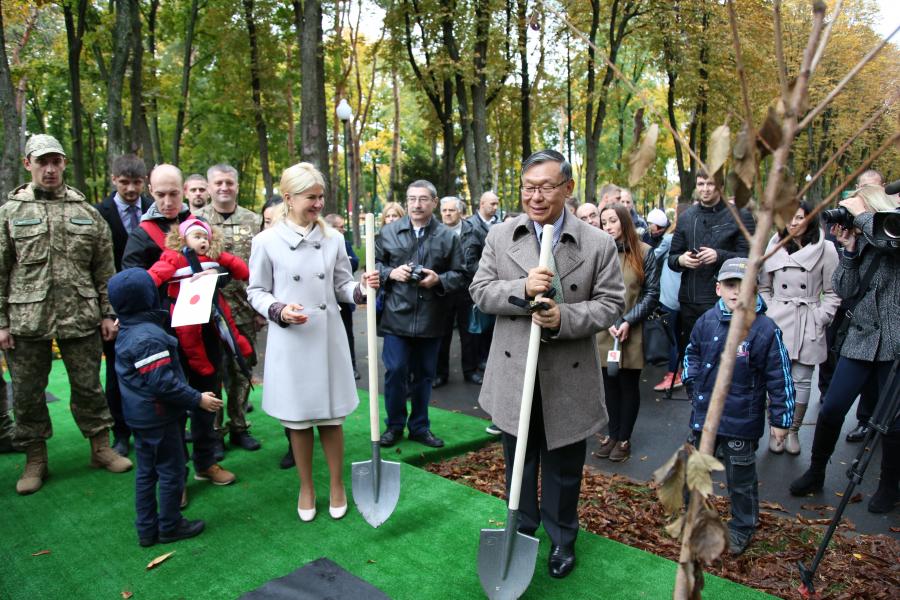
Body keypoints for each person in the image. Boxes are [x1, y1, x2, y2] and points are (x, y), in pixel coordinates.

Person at [470, 149, 626, 579]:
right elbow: (480, 291)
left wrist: (564, 318)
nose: (535, 197)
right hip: (513, 371)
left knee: (563, 468)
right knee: (519, 460)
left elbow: (612, 304)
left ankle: (562, 540)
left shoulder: (598, 244)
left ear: (568, 188)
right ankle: (521, 528)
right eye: (528, 187)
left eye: (546, 187)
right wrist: (521, 287)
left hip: (567, 378)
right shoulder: (501, 236)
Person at [0, 134, 132, 495]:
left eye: (55, 161)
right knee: (27, 392)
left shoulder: (85, 212)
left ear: (63, 164)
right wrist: (1, 323)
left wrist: (108, 313)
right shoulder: (10, 212)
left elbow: (105, 269)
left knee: (89, 385)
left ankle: (100, 447)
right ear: (28, 164)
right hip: (27, 319)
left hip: (81, 314)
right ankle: (35, 458)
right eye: (42, 162)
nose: (50, 168)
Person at [247, 162, 378, 521]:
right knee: (298, 419)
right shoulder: (266, 241)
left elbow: (341, 287)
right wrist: (278, 309)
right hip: (291, 341)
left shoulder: (333, 239)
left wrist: (363, 289)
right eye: (311, 197)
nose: (318, 203)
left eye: (321, 197)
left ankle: (337, 484)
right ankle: (306, 487)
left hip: (327, 336)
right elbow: (255, 291)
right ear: (288, 198)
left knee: (331, 417)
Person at [122, 164, 234, 490]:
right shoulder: (141, 234)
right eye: (161, 194)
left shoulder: (199, 226)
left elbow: (220, 264)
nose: (168, 201)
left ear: (184, 189)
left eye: (174, 193)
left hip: (203, 326)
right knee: (172, 402)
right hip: (164, 332)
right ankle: (176, 478)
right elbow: (133, 285)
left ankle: (205, 461)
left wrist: (208, 278)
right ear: (150, 192)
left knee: (207, 392)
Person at [790, 185, 900, 514]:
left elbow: (891, 242)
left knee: (893, 423)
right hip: (860, 340)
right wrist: (850, 252)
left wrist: (861, 211)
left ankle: (889, 486)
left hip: (895, 344)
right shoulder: (867, 236)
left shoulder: (889, 231)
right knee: (831, 408)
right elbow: (844, 288)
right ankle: (816, 471)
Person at [683, 257, 795, 555]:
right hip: (704, 418)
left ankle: (743, 525)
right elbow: (691, 352)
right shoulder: (706, 321)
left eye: (744, 286)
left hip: (740, 424)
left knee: (740, 479)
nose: (736, 292)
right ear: (718, 288)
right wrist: (691, 381)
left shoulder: (765, 330)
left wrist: (782, 419)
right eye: (730, 285)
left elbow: (779, 375)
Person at [109, 268, 223, 547]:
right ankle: (170, 525)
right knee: (172, 471)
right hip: (159, 417)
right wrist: (198, 399)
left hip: (140, 417)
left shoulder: (127, 328)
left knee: (146, 472)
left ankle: (147, 529)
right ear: (148, 295)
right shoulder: (147, 337)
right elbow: (163, 384)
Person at [375, 180, 467, 449]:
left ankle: (419, 427)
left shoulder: (448, 237)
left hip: (432, 316)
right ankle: (393, 426)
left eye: (423, 199)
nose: (416, 204)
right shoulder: (389, 232)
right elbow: (373, 266)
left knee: (425, 374)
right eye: (412, 198)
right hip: (396, 315)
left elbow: (462, 275)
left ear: (434, 202)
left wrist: (438, 280)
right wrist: (391, 273)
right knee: (395, 371)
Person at [760, 202, 839, 455]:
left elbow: (834, 291)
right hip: (778, 320)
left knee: (802, 380)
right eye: (787, 217)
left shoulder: (825, 249)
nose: (792, 223)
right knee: (775, 378)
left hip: (809, 319)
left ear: (810, 220)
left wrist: (821, 315)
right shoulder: (773, 247)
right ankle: (776, 430)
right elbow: (763, 287)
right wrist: (771, 311)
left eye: (799, 217)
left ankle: (793, 430)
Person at [198, 164, 262, 455]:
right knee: (212, 371)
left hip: (244, 309)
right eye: (218, 183)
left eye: (229, 182)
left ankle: (239, 426)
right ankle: (213, 433)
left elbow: (262, 266)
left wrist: (262, 307)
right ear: (209, 187)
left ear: (237, 185)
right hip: (208, 310)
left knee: (241, 369)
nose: (224, 188)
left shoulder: (253, 219)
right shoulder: (195, 221)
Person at [146, 218, 254, 383]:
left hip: (213, 301)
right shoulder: (174, 257)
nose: (203, 240)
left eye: (205, 237)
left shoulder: (214, 255)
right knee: (189, 335)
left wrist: (248, 276)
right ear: (183, 239)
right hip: (184, 304)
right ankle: (199, 362)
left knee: (227, 323)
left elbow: (235, 264)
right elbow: (156, 274)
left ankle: (238, 343)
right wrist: (141, 291)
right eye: (197, 236)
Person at [95, 154, 153, 457]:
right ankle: (120, 432)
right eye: (124, 182)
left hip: (151, 302)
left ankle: (163, 423)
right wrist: (109, 310)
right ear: (114, 179)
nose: (131, 188)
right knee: (118, 372)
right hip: (116, 307)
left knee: (158, 364)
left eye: (136, 182)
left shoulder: (153, 210)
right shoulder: (99, 213)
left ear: (144, 182)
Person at [594, 203, 659, 462]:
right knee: (609, 385)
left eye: (612, 221)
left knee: (628, 385)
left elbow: (652, 293)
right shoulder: (600, 252)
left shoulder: (644, 252)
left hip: (632, 329)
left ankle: (624, 439)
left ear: (624, 221)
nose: (608, 226)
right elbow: (593, 290)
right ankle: (612, 433)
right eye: (604, 222)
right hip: (604, 328)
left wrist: (629, 320)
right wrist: (607, 318)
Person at [667, 170, 756, 358]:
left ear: (721, 187)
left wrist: (719, 255)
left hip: (726, 300)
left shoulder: (740, 216)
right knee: (693, 358)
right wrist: (682, 260)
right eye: (700, 184)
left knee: (725, 360)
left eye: (710, 184)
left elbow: (750, 259)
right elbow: (672, 259)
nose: (705, 189)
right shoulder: (686, 217)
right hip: (690, 301)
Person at [435, 196, 485, 388]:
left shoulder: (474, 232)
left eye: (451, 210)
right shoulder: (436, 233)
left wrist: (477, 273)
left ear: (460, 212)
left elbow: (485, 256)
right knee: (442, 334)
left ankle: (470, 371)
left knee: (469, 334)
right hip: (442, 291)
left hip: (467, 290)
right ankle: (440, 374)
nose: (447, 214)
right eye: (444, 211)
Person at [324, 213, 361, 380]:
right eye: (340, 226)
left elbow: (354, 262)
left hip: (343, 300)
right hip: (324, 298)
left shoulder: (343, 243)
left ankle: (351, 366)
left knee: (347, 333)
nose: (343, 229)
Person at [651, 206, 685, 392]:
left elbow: (652, 258)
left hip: (669, 298)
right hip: (684, 297)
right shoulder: (693, 239)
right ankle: (681, 372)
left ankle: (673, 375)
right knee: (681, 338)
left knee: (671, 338)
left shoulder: (669, 240)